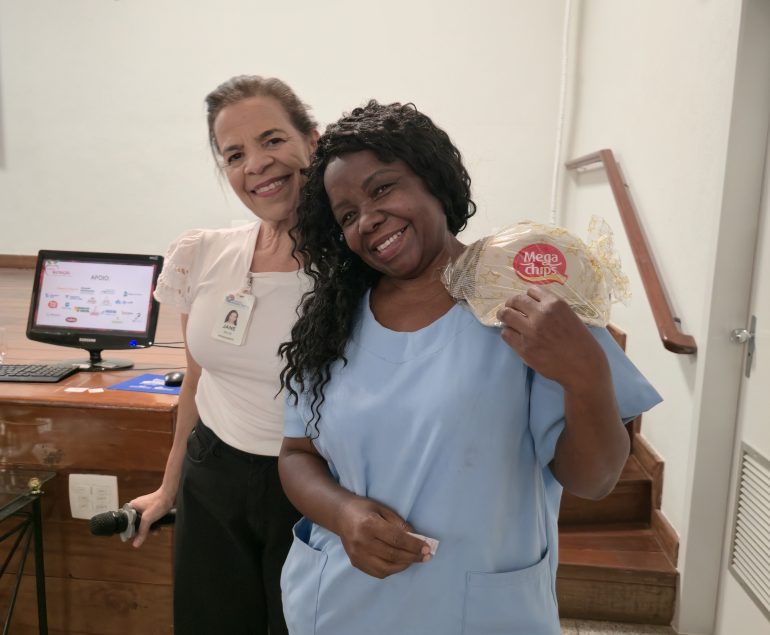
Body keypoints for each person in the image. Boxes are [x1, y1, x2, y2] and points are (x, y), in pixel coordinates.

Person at [277, 101, 661, 635]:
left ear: (433, 179)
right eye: (347, 215)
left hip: (481, 613)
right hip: (344, 604)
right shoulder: (331, 324)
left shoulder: (525, 298)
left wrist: (587, 376)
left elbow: (593, 480)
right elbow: (297, 454)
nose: (368, 219)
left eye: (382, 189)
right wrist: (342, 514)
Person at [130, 75, 318, 635]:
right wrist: (169, 487)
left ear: (312, 140)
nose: (256, 164)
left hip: (313, 487)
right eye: (234, 155)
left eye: (272, 140)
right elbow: (196, 381)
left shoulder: (356, 264)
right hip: (212, 476)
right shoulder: (203, 253)